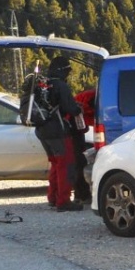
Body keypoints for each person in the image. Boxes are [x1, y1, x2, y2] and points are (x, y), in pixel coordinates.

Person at [25, 56, 84, 212]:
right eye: (68, 71)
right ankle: (63, 201)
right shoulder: (60, 86)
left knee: (56, 164)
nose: (69, 75)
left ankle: (53, 198)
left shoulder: (43, 84)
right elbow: (71, 109)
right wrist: (78, 108)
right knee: (66, 164)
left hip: (42, 130)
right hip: (57, 130)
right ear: (63, 71)